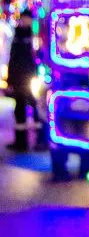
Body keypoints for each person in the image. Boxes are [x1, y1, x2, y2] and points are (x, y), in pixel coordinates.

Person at [5, 11, 46, 152]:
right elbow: (13, 59)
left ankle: (41, 141)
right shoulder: (17, 35)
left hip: (32, 80)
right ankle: (20, 142)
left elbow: (39, 57)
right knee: (19, 111)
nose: (24, 21)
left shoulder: (35, 36)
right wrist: (10, 80)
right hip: (19, 80)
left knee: (36, 110)